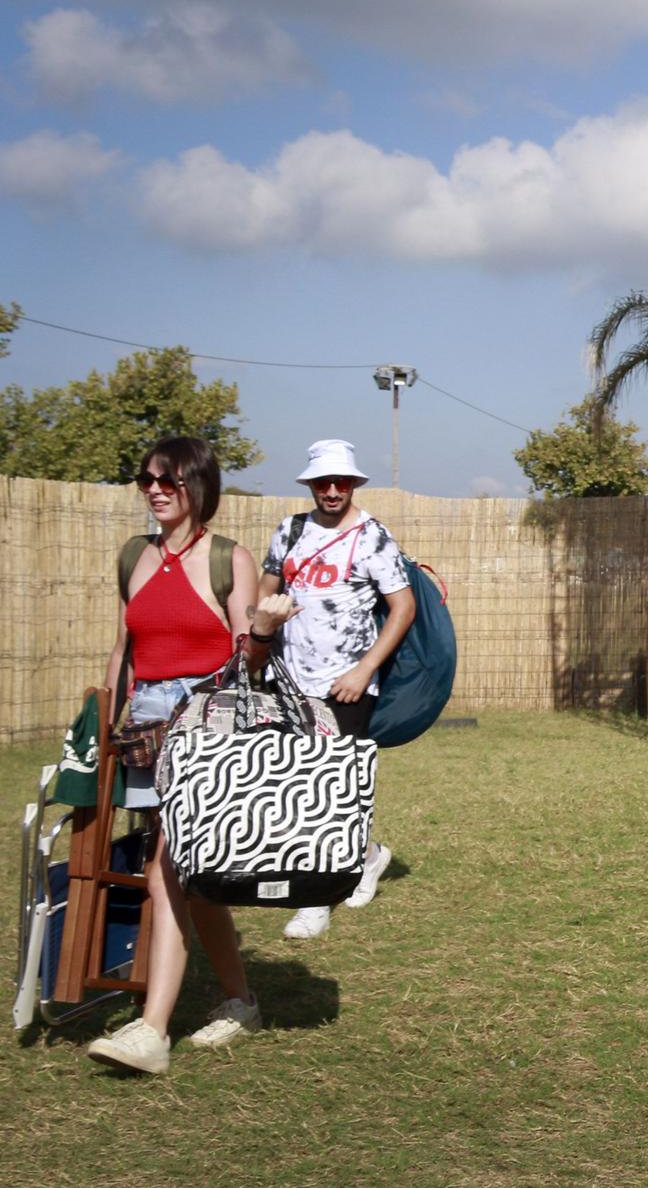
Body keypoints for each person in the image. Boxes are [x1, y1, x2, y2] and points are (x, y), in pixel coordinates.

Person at [85, 437, 265, 1074]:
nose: (155, 489)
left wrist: (264, 628)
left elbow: (250, 657)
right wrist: (101, 730)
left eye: (169, 479)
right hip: (141, 731)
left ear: (198, 485)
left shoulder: (227, 558)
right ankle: (241, 999)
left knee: (168, 865)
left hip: (205, 728)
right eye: (146, 480)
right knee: (195, 880)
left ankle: (152, 1030)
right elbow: (123, 650)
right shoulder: (134, 555)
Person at [255, 439, 416, 941]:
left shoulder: (372, 537)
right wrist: (266, 617)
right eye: (322, 482)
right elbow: (266, 586)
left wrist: (364, 670)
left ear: (353, 484)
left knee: (329, 795)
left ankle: (316, 900)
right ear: (310, 485)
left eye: (340, 482)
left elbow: (403, 606)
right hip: (288, 679)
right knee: (291, 786)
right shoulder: (290, 530)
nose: (331, 490)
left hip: (346, 685)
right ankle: (368, 857)